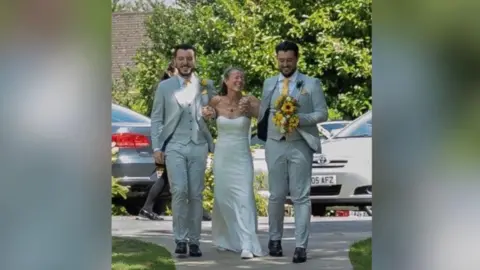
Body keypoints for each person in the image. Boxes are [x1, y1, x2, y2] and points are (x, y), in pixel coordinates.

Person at [257, 40, 328, 263]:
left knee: (301, 196)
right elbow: (263, 112)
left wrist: (300, 120)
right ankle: (274, 240)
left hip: (300, 144)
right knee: (276, 195)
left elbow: (322, 113)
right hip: (274, 143)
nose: (285, 64)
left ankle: (300, 245)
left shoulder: (311, 83)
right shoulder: (269, 83)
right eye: (281, 60)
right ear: (276, 59)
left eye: (289, 60)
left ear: (297, 59)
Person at [150, 44, 217, 257]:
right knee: (179, 191)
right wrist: (157, 146)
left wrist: (212, 113)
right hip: (175, 146)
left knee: (195, 194)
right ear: (175, 61)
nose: (185, 63)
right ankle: (180, 239)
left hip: (198, 145)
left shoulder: (206, 86)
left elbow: (217, 112)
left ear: (194, 61)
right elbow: (156, 118)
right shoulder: (165, 87)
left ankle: (195, 241)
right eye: (181, 59)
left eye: (189, 58)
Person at [207, 67, 264, 259]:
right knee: (223, 198)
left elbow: (265, 118)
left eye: (242, 77)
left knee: (244, 197)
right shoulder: (216, 101)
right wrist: (206, 113)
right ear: (226, 81)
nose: (239, 80)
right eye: (235, 77)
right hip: (222, 156)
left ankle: (247, 243)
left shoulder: (250, 100)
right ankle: (226, 238)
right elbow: (205, 114)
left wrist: (255, 110)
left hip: (241, 156)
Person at [138, 62, 178, 221]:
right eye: (175, 70)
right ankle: (146, 208)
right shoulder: (165, 89)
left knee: (166, 177)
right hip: (165, 141)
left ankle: (147, 208)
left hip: (169, 140)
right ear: (169, 71)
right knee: (166, 177)